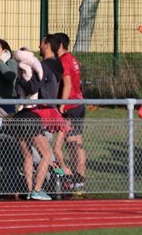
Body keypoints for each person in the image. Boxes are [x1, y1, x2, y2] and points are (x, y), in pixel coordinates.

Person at [12, 35, 69, 201]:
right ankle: (36, 189)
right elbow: (35, 87)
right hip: (33, 116)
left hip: (26, 115)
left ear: (47, 45)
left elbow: (33, 87)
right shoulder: (44, 68)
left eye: (41, 43)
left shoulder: (41, 67)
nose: (38, 47)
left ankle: (31, 189)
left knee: (29, 155)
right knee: (45, 155)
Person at [53, 32, 87, 189]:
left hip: (71, 106)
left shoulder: (64, 60)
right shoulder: (72, 58)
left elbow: (68, 84)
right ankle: (80, 176)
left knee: (70, 143)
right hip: (78, 103)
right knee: (77, 142)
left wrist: (62, 105)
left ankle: (74, 176)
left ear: (60, 45)